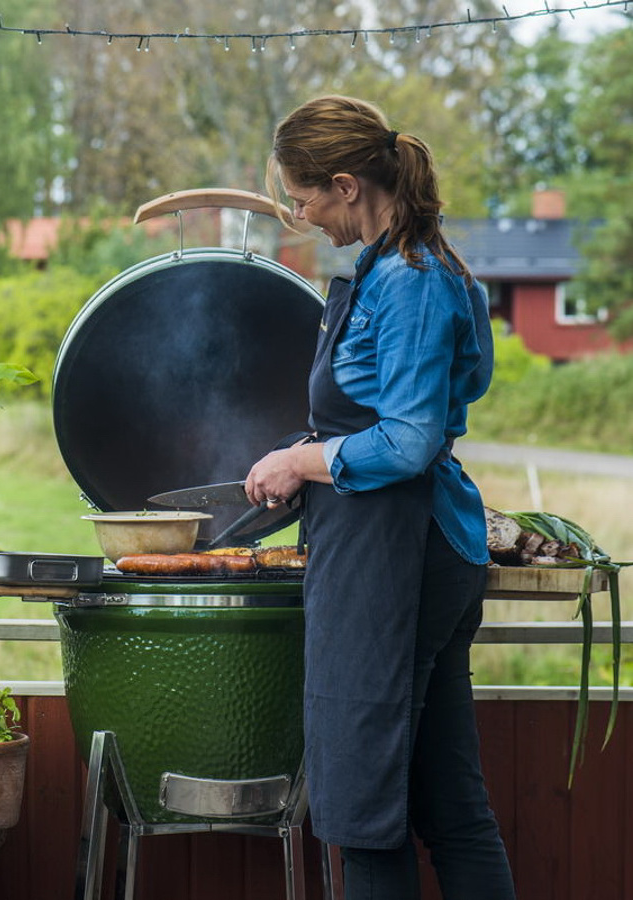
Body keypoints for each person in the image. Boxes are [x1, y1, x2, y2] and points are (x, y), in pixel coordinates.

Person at [244, 96, 516, 900]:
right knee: (445, 804)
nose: (300, 214)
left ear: (346, 185)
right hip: (394, 554)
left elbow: (408, 440)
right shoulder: (398, 270)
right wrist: (308, 449)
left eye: (304, 198)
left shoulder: (411, 281)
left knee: (366, 813)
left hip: (397, 565)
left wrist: (305, 463)